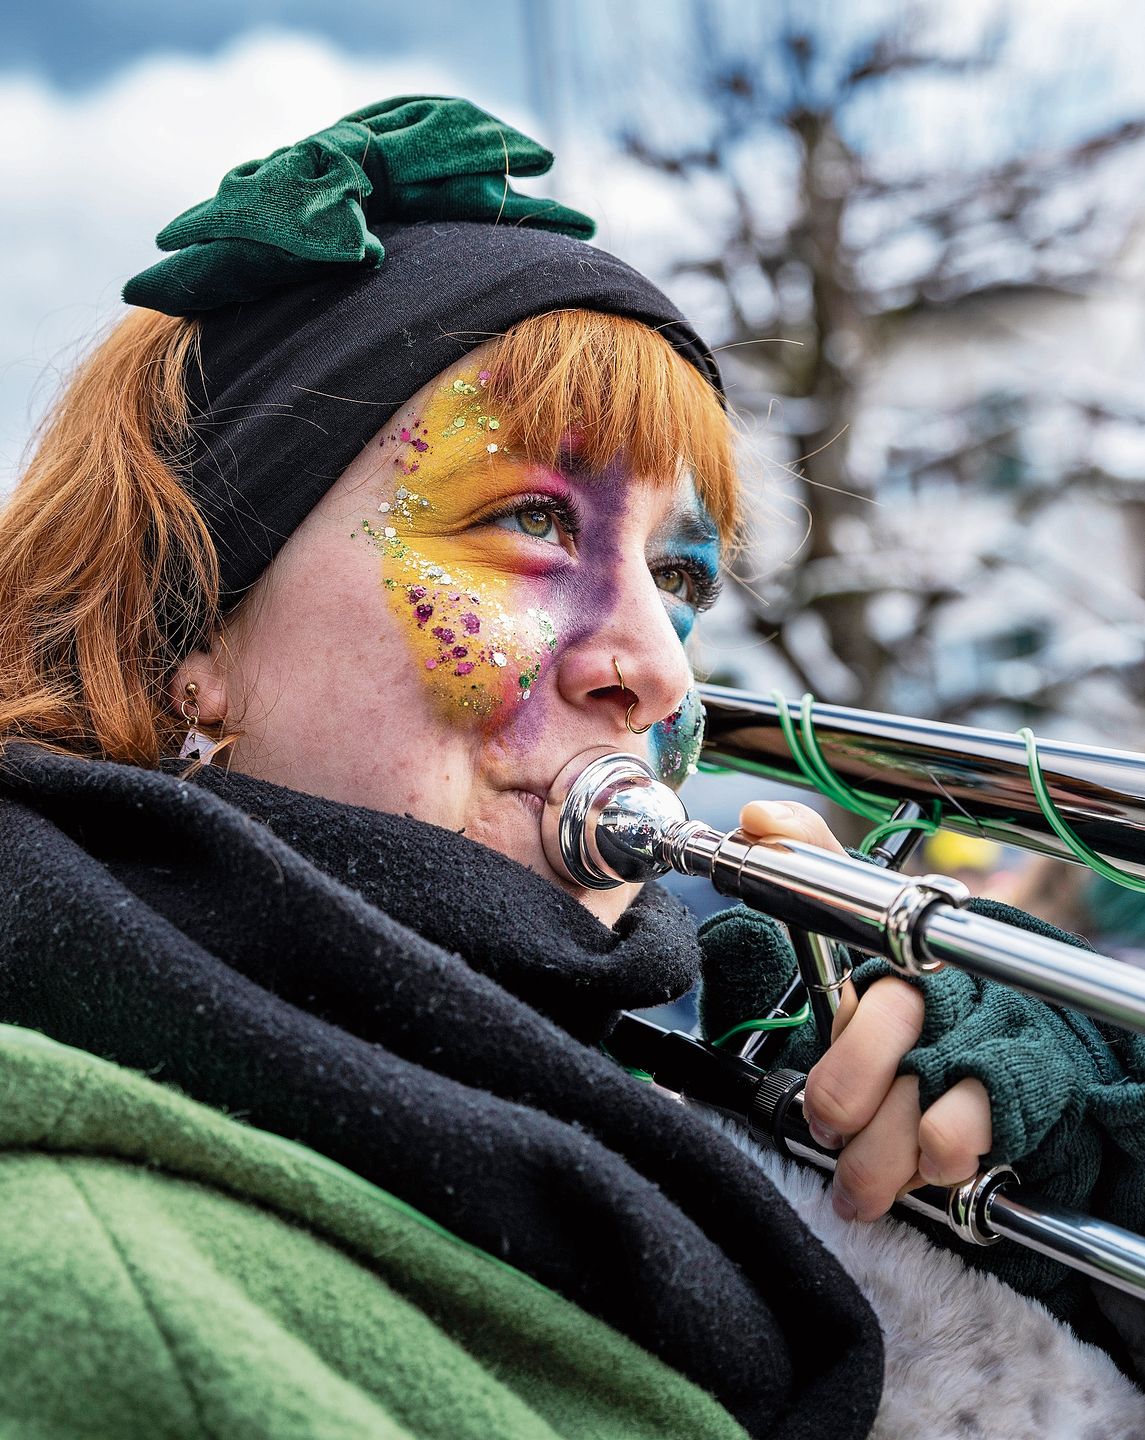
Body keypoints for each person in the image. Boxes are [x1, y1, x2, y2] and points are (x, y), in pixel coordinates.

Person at [0, 95, 1143, 1439]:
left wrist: (1035, 1237)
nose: (655, 665)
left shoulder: (655, 1134)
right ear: (189, 628)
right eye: (530, 520)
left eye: (678, 577)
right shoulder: (91, 1286)